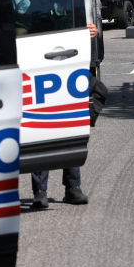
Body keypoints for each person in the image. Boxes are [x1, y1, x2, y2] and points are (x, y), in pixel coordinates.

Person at [31, 21, 98, 209]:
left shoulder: (67, 5)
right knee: (40, 129)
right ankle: (40, 191)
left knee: (70, 126)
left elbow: (84, 30)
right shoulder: (31, 4)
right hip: (39, 67)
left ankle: (72, 187)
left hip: (67, 68)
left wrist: (92, 31)